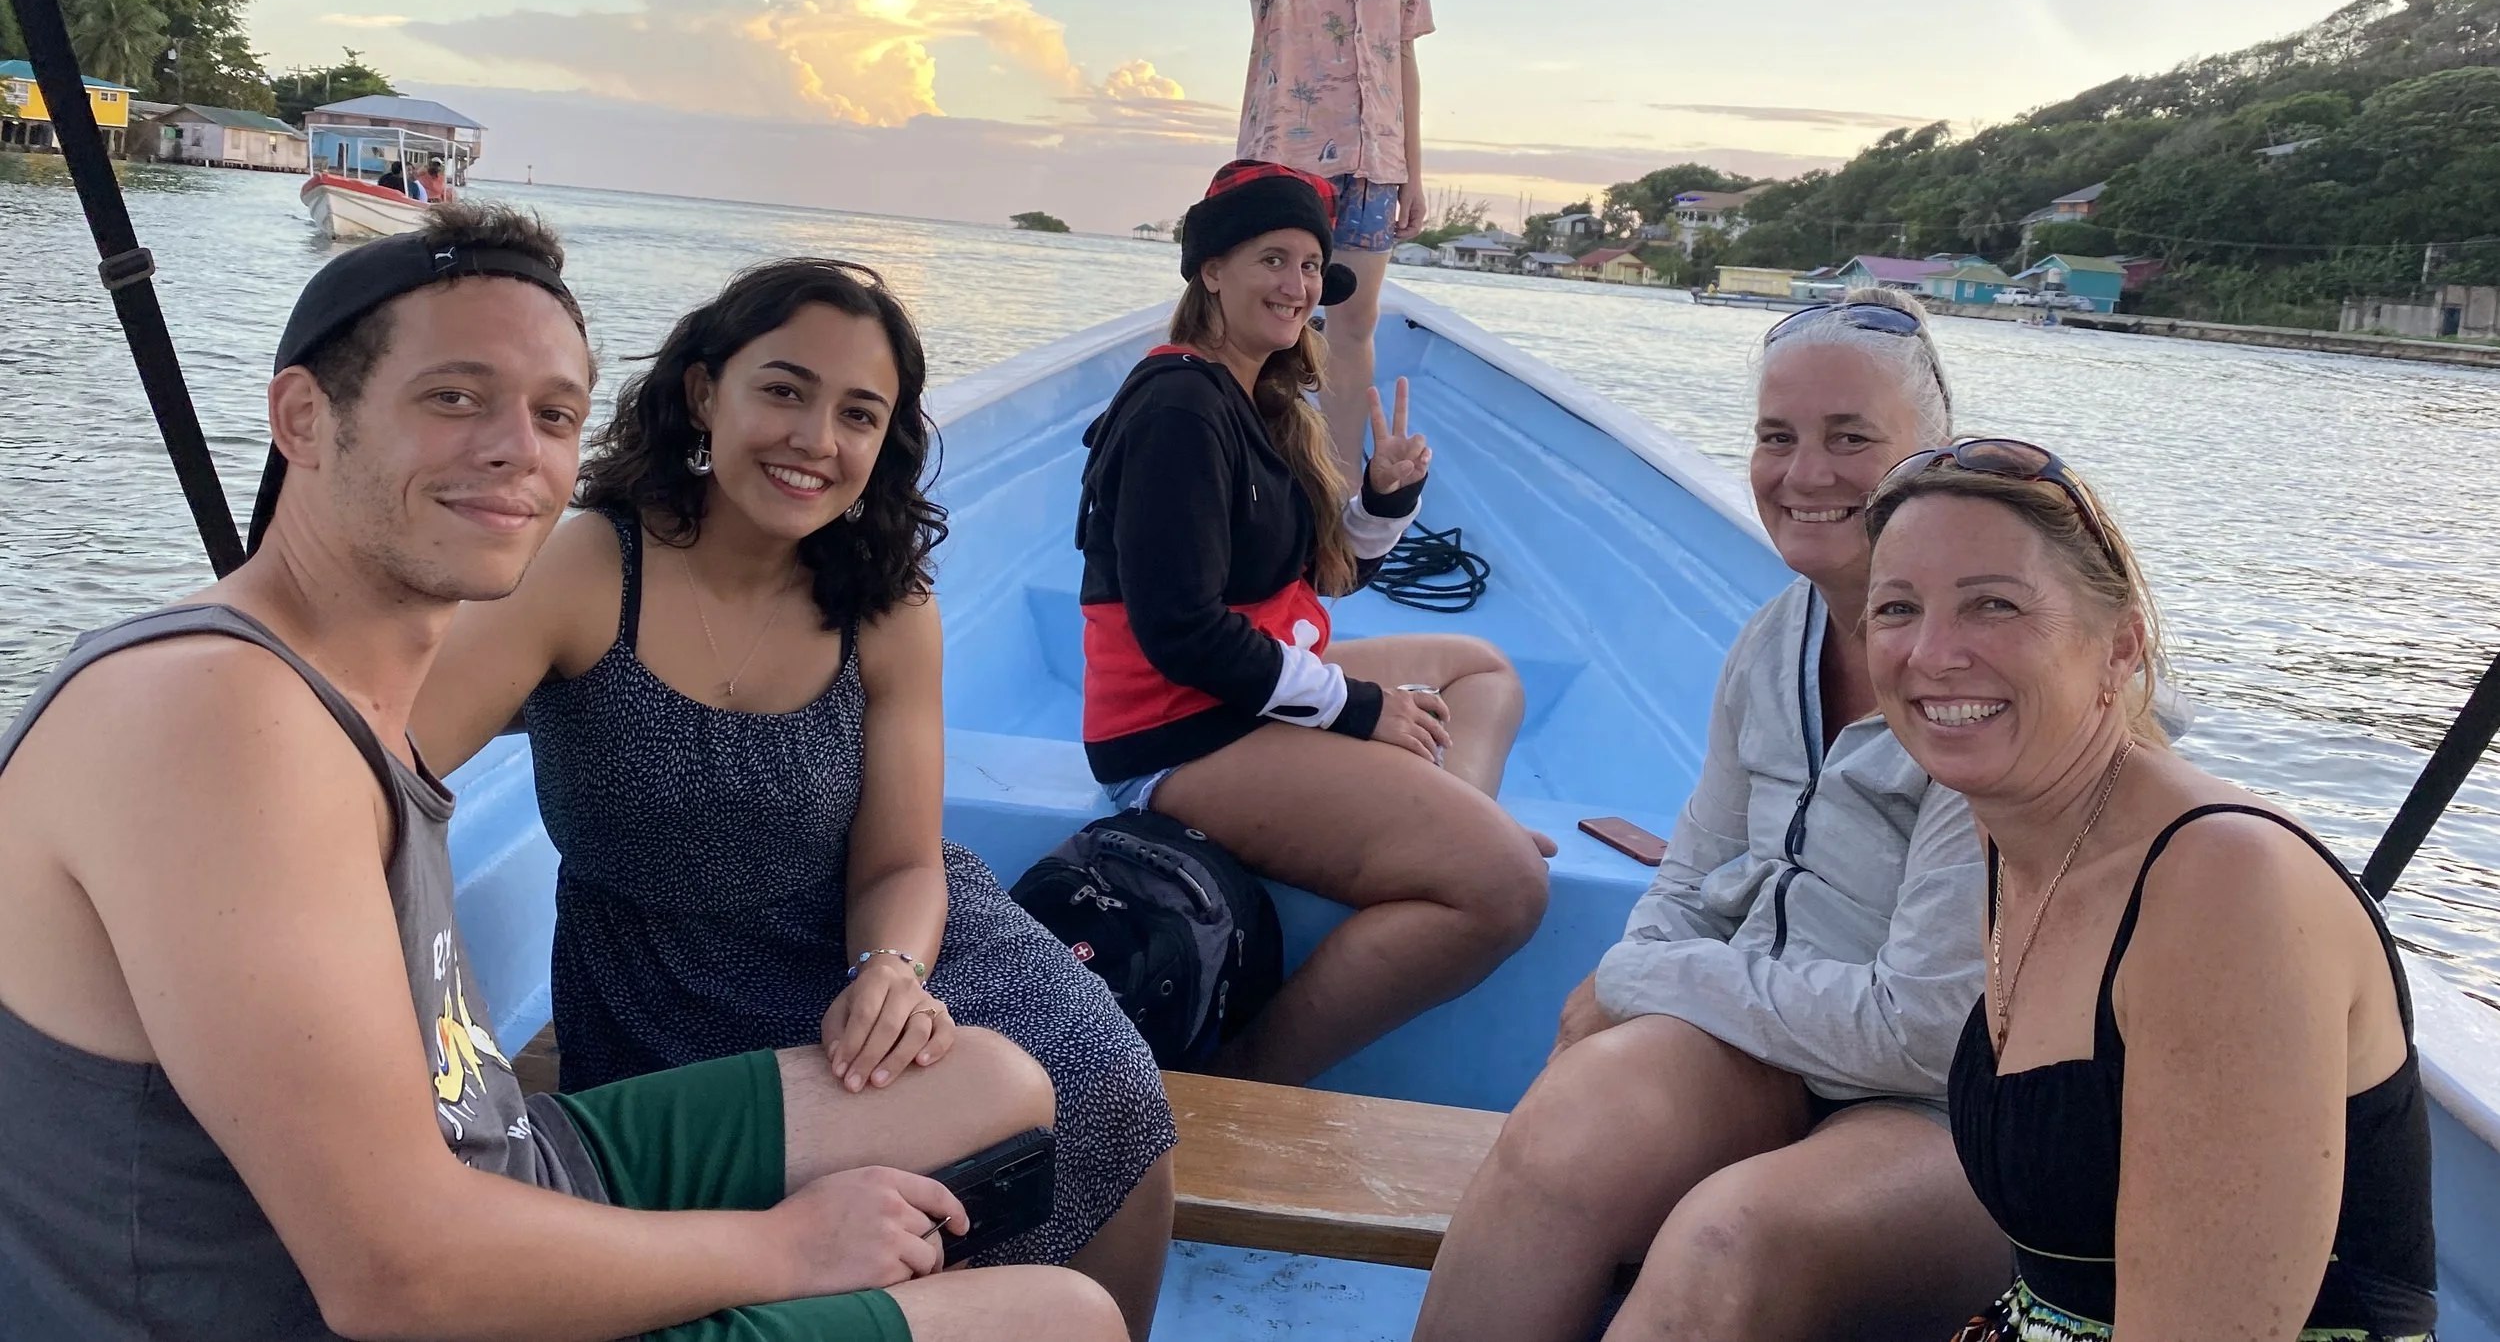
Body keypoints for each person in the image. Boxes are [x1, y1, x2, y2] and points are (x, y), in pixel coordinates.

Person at [0, 204, 1122, 1342]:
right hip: (383, 1295)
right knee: (1062, 1318)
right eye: (452, 396)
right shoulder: (217, 722)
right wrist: (786, 1249)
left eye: (551, 416)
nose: (512, 451)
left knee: (996, 1080)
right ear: (304, 416)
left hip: (500, 1161)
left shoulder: (330, 673)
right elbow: (397, 1279)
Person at [413, 258, 1176, 1341]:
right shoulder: (590, 567)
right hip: (664, 974)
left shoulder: (884, 605)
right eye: (783, 390)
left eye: (857, 414)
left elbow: (904, 864)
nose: (816, 438)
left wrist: (893, 973)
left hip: (880, 938)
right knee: (927, 1140)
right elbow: (389, 767)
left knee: (1108, 1083)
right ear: (702, 394)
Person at [1415, 291, 2011, 1342]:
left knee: (1725, 1235)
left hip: (1945, 1116)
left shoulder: (1981, 681)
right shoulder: (1772, 641)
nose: (1805, 474)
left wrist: (1643, 981)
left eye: (1851, 438)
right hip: (1769, 1053)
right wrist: (1635, 995)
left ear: (1934, 451)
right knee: (1565, 1134)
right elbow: (1688, 882)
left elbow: (1925, 1033)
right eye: (1776, 438)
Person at [1860, 439, 2438, 1341]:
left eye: (1994, 605)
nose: (1932, 653)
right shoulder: (2015, 835)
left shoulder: (2223, 888)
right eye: (1898, 608)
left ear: (2119, 645)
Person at [1079, 159, 1549, 1085]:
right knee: (1504, 889)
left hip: (1250, 689)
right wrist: (1360, 708)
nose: (1298, 287)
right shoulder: (1179, 406)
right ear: (1209, 269)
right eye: (1274, 259)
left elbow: (1325, 577)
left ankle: (1451, 816)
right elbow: (1184, 632)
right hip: (1180, 731)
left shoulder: (1254, 399)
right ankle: (1248, 1082)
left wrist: (1386, 496)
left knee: (1482, 669)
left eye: (1310, 266)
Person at [1224, 0, 1434, 482]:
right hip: (1286, 156)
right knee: (1260, 328)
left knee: (1353, 328)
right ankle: (1235, 480)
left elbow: (1402, 52)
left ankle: (1337, 497)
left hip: (1375, 164)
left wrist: (1412, 168)